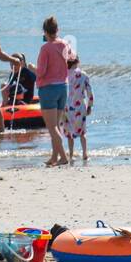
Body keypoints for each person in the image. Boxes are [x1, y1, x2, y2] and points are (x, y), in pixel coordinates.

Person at [36, 16, 70, 166]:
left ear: (45, 32)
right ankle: (54, 156)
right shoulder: (65, 45)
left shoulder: (45, 48)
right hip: (63, 87)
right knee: (56, 125)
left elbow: (41, 72)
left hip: (48, 88)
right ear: (57, 30)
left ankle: (63, 156)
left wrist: (31, 68)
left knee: (52, 127)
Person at [62, 53, 94, 163]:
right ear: (78, 62)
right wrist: (90, 106)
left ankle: (71, 155)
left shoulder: (64, 75)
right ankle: (85, 153)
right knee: (82, 133)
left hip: (67, 107)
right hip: (80, 106)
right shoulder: (83, 75)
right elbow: (90, 93)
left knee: (69, 134)